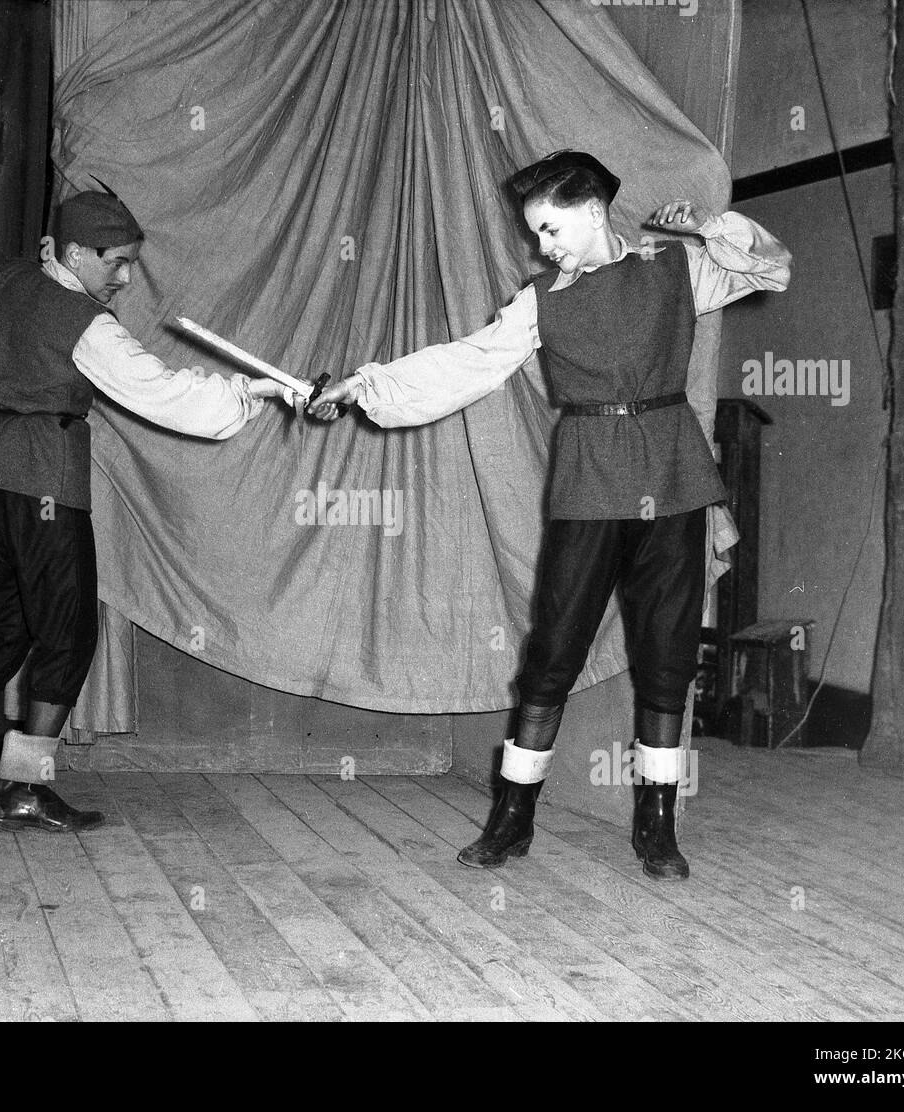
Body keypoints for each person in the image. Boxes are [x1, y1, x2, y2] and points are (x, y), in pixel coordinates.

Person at [310, 150, 791, 879]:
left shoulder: (675, 268)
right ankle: (513, 815)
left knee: (666, 657)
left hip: (673, 477)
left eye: (551, 228)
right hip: (589, 484)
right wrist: (365, 386)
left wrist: (712, 229)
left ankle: (657, 823)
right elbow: (464, 362)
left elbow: (769, 268)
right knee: (551, 657)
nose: (543, 246)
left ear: (595, 211)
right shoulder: (541, 299)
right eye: (536, 234)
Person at [0, 190, 298, 833]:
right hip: (46, 475)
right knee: (68, 632)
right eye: (117, 263)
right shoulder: (86, 323)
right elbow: (165, 394)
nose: (125, 278)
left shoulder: (4, 283)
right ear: (75, 252)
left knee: (3, 626)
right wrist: (253, 392)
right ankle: (23, 788)